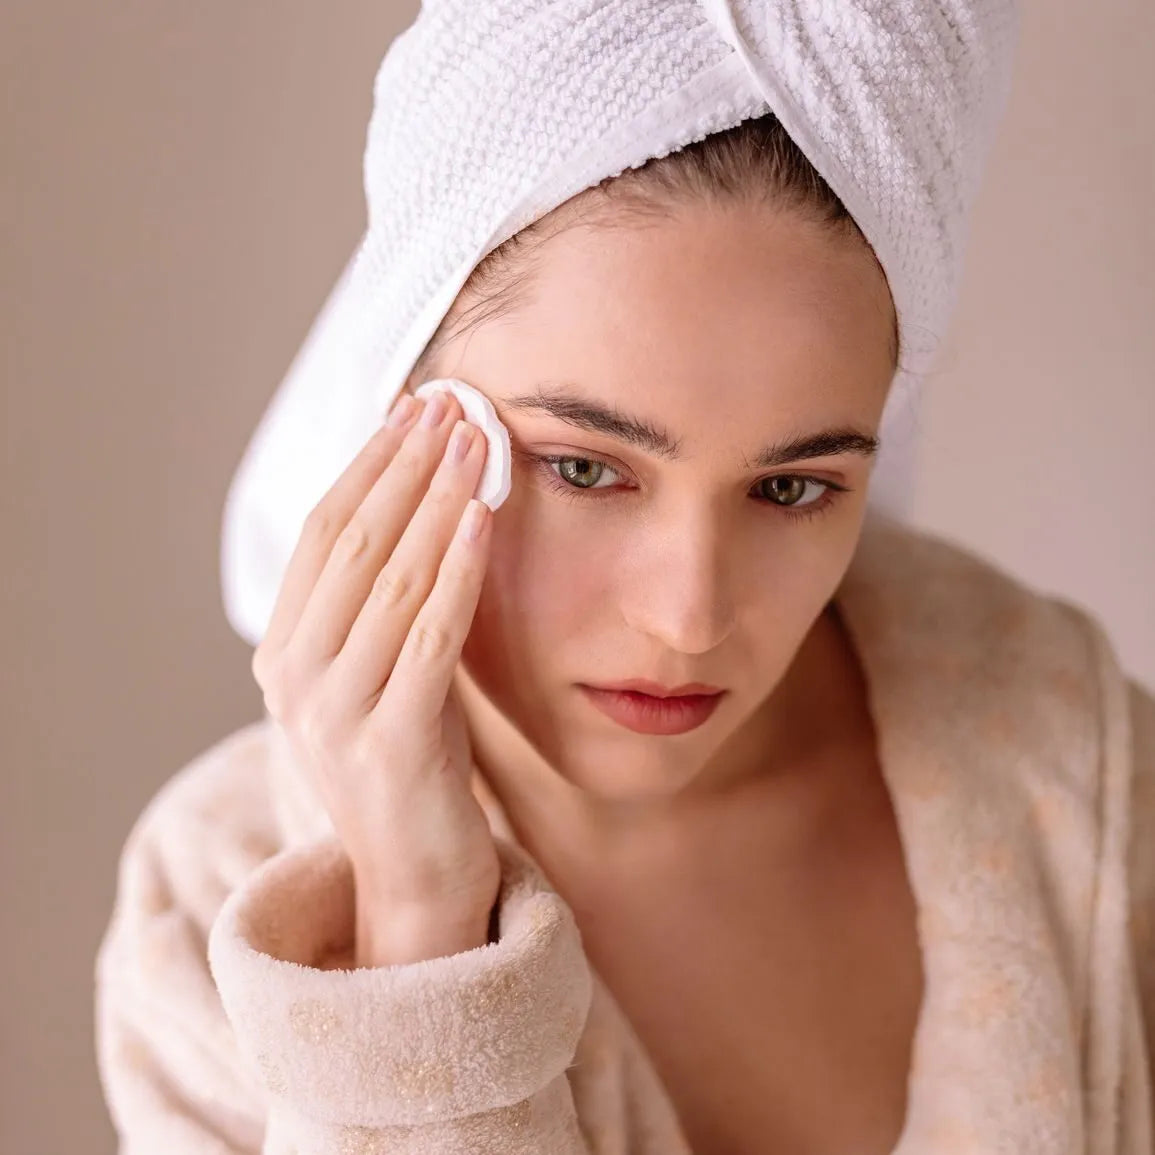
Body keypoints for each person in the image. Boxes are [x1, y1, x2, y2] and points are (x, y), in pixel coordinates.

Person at [94, 7, 1155, 1155]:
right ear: (401, 408)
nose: (687, 617)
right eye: (587, 467)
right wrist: (416, 928)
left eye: (793, 487)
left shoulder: (1098, 801)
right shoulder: (216, 918)